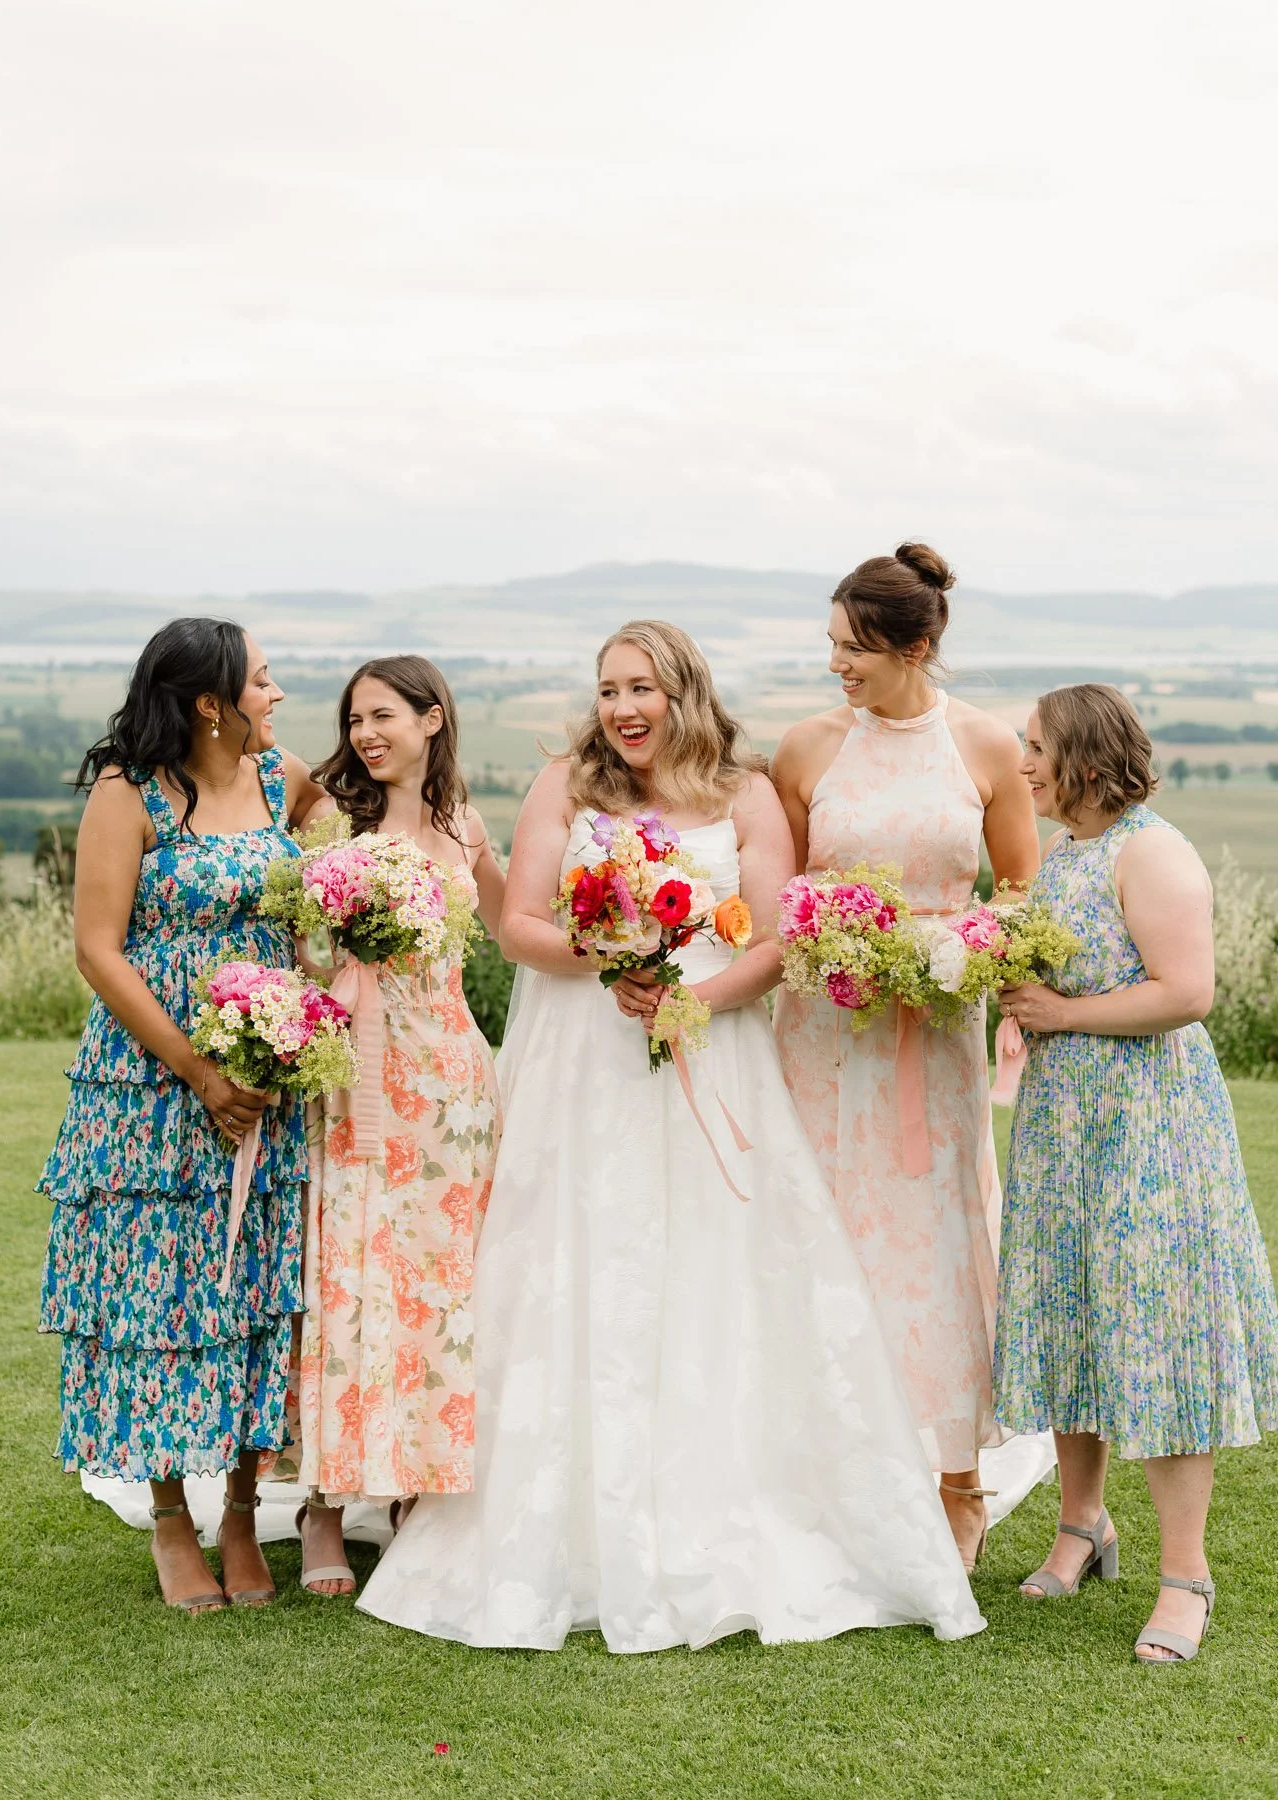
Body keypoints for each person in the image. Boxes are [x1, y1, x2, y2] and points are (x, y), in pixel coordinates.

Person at [357, 620, 985, 1651]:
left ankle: (726, 1503)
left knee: (716, 1265)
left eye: (641, 688)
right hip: (584, 1058)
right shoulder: (566, 783)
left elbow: (776, 937)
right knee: (577, 1261)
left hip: (712, 1050)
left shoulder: (746, 794)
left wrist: (695, 1002)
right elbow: (520, 925)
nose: (622, 709)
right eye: (608, 690)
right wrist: (609, 960)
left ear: (684, 691)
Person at [993, 683, 1278, 1663]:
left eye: (1037, 746)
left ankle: (1186, 1578)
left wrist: (1059, 1013)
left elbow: (1188, 992)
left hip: (1150, 1127)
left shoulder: (1153, 851)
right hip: (1062, 1125)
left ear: (1088, 760)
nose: (1022, 763)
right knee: (1072, 1315)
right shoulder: (1066, 853)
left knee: (1159, 1330)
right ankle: (1082, 1526)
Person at [38, 619, 322, 1613]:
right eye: (263, 680)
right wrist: (198, 1070)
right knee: (155, 1291)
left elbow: (345, 854)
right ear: (210, 702)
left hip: (268, 1077)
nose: (277, 695)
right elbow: (98, 948)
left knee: (255, 1287)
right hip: (150, 1087)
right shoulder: (131, 792)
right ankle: (170, 1518)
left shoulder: (284, 778)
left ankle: (242, 1512)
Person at [771, 545, 1039, 1569]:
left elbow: (1019, 890)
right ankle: (826, 1472)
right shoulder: (805, 749)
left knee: (934, 1240)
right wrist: (830, 938)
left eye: (855, 649)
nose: (836, 664)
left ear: (914, 648)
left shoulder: (985, 746)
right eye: (832, 645)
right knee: (826, 1231)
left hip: (934, 1036)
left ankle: (957, 1480)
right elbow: (778, 887)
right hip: (822, 1036)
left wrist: (954, 951)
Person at [293, 656, 504, 1596]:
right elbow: (295, 945)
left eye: (382, 715)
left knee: (438, 1281)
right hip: (358, 1074)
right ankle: (325, 1504)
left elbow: (516, 931)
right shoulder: (331, 823)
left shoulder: (466, 827)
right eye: (354, 720)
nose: (365, 734)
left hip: (451, 1080)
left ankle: (419, 1481)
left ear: (431, 719)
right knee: (351, 1272)